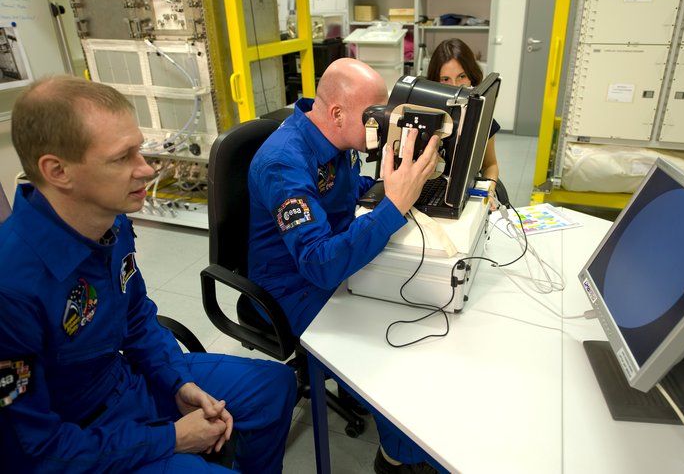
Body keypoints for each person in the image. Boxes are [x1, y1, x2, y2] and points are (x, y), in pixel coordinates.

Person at [0, 75, 297, 472]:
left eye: (140, 149)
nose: (147, 169)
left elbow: (138, 317)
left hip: (125, 383)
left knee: (273, 388)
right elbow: (35, 452)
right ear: (57, 171)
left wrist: (176, 382)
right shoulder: (11, 289)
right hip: (80, 438)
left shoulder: (110, 221)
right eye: (123, 157)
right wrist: (170, 439)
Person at [247, 58, 440, 473]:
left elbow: (354, 191)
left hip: (329, 263)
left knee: (416, 302)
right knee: (391, 341)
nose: (381, 125)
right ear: (337, 113)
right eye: (374, 116)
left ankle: (396, 424)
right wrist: (393, 208)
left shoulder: (338, 142)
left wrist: (404, 189)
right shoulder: (283, 163)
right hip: (291, 288)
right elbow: (318, 265)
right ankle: (398, 460)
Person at [426, 38, 501, 204]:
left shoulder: (482, 117)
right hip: (427, 194)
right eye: (445, 79)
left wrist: (488, 195)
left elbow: (490, 165)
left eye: (461, 76)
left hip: (467, 193)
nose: (455, 86)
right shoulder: (425, 116)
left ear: (471, 77)